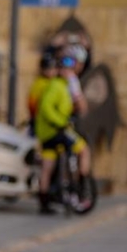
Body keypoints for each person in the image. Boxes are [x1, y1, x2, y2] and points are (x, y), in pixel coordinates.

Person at [35, 54, 92, 214]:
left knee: (48, 165)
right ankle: (81, 188)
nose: (69, 72)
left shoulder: (60, 85)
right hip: (56, 130)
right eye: (66, 69)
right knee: (83, 150)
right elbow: (46, 108)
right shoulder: (57, 86)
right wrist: (60, 122)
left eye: (71, 69)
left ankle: (44, 200)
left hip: (46, 133)